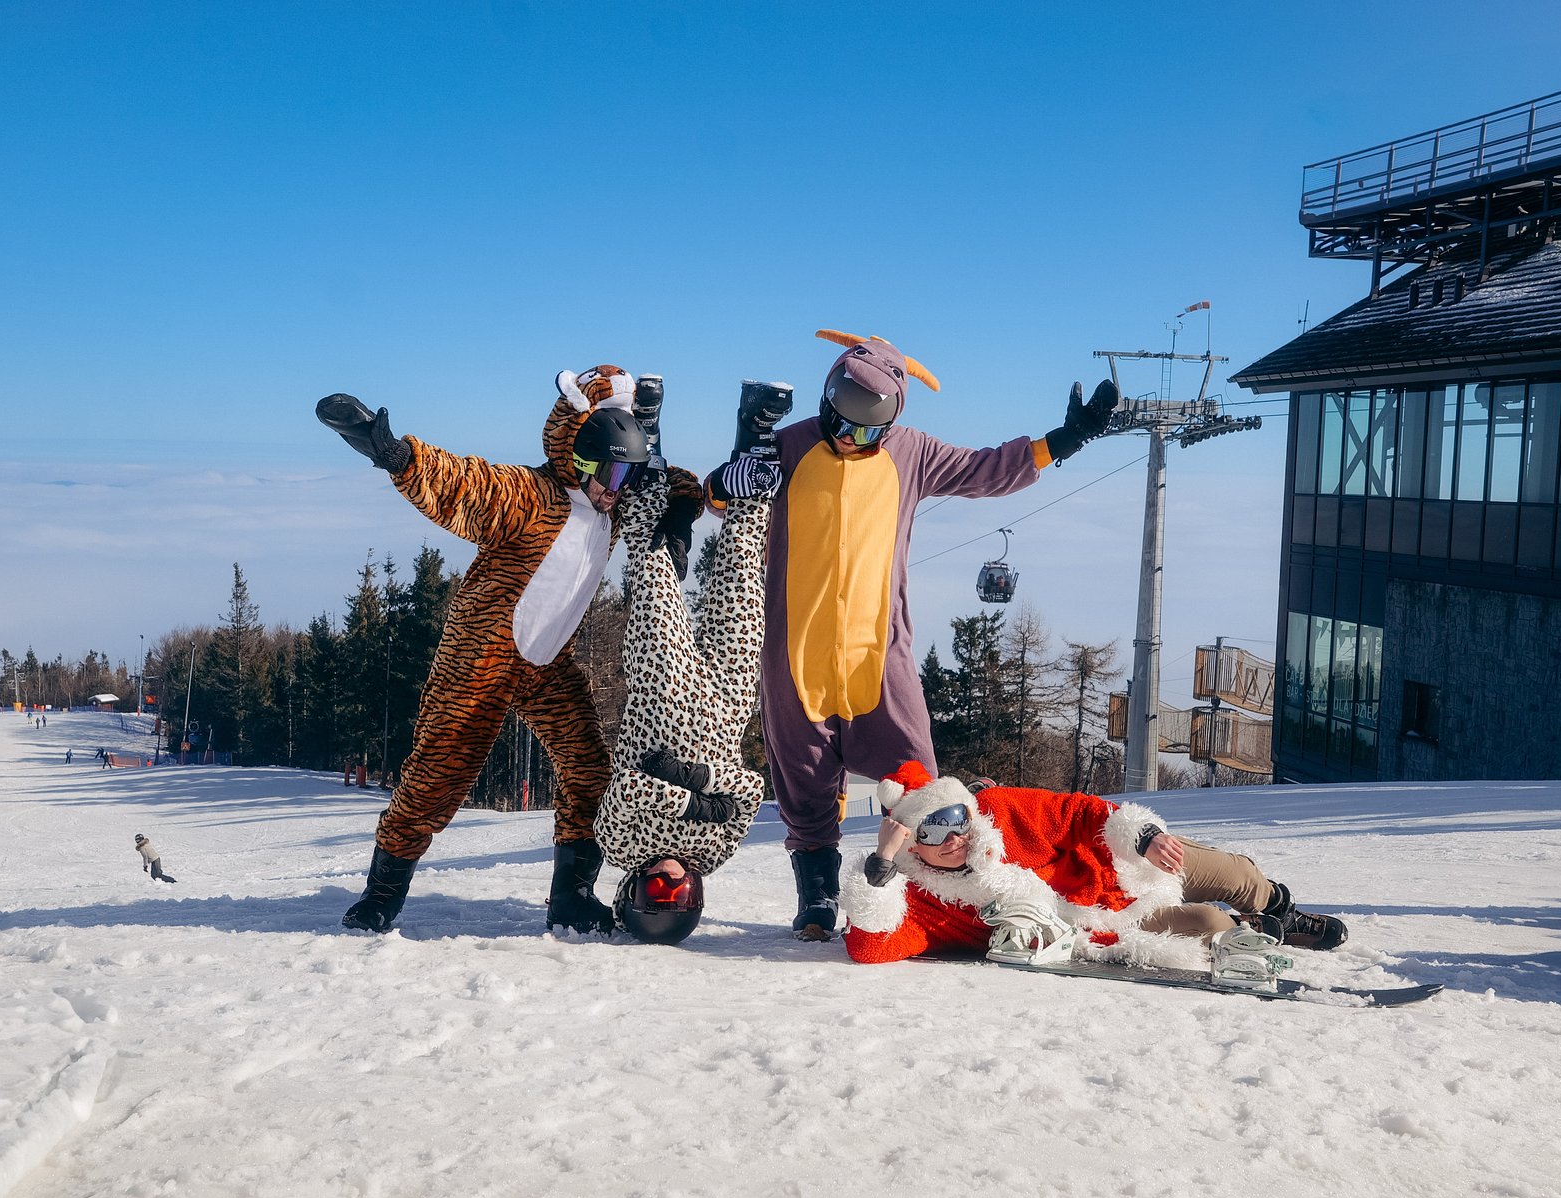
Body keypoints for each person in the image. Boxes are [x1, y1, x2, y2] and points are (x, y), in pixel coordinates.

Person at [754, 330, 1119, 938]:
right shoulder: (787, 446)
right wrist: (731, 474)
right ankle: (817, 900)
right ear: (824, 401)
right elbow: (724, 496)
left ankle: (929, 902)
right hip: (797, 652)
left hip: (879, 648)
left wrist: (1067, 438)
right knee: (805, 777)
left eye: (868, 432)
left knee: (920, 782)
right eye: (840, 424)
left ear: (892, 422)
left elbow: (987, 470)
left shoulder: (910, 452)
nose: (851, 440)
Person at [317, 366, 702, 935]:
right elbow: (463, 485)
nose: (616, 489)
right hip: (481, 659)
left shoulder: (613, 500)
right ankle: (383, 892)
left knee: (590, 768)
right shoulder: (533, 495)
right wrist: (395, 453)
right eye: (611, 473)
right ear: (583, 454)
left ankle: (570, 895)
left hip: (546, 664)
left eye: (628, 474)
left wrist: (680, 513)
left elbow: (680, 484)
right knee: (439, 772)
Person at [593, 381, 793, 944]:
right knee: (741, 576)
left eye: (653, 893)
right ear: (695, 897)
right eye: (676, 897)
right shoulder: (717, 853)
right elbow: (752, 790)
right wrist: (703, 785)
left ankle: (645, 446)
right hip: (728, 703)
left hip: (663, 689)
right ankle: (755, 439)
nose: (668, 882)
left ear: (630, 888)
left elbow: (632, 791)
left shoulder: (619, 844)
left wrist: (695, 790)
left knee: (653, 569)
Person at [840, 761, 1347, 966]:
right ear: (909, 844)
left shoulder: (1005, 810)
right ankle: (1263, 928)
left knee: (1239, 876)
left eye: (954, 818)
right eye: (928, 831)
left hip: (1123, 864)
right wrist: (880, 868)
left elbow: (1078, 811)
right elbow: (870, 946)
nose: (951, 837)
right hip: (1109, 920)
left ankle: (1279, 906)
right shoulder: (927, 899)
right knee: (1212, 925)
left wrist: (1141, 838)